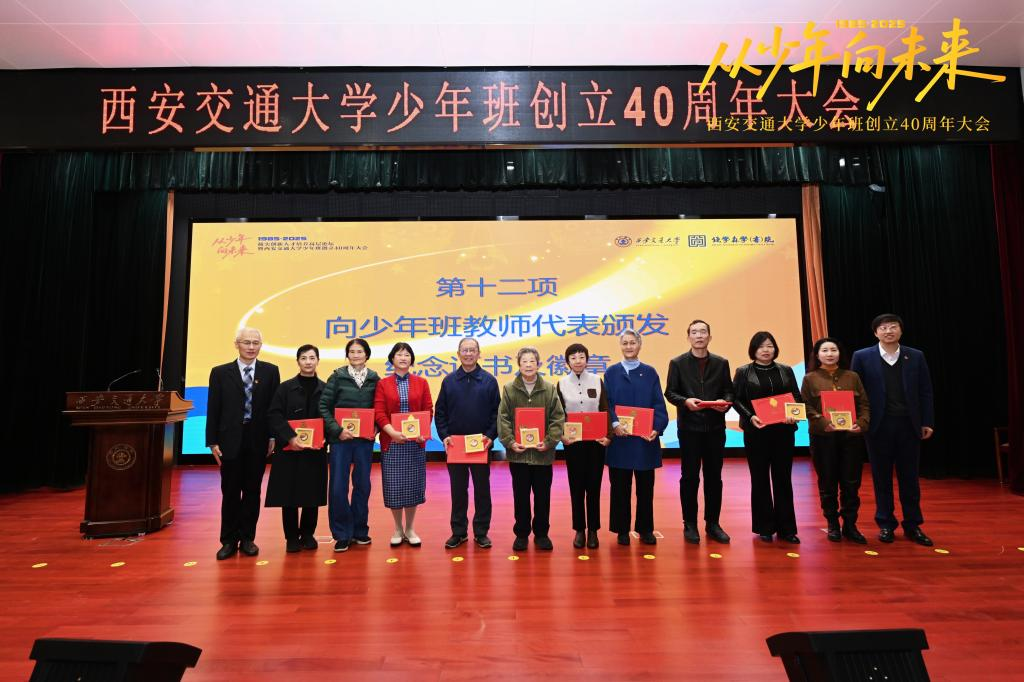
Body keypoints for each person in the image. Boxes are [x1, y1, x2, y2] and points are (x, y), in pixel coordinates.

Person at [851, 314, 935, 546]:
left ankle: (913, 524)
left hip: (909, 425)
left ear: (900, 330)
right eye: (883, 328)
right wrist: (859, 420)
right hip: (878, 426)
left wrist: (927, 421)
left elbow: (925, 391)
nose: (888, 331)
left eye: (893, 327)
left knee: (910, 478)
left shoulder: (915, 356)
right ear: (875, 332)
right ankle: (886, 523)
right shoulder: (862, 356)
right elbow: (855, 393)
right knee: (881, 477)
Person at [205, 327, 281, 560]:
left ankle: (248, 538)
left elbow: (274, 408)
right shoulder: (220, 372)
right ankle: (228, 540)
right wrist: (212, 441)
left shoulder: (270, 371)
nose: (251, 347)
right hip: (229, 440)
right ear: (236, 344)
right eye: (246, 342)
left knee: (252, 490)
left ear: (261, 346)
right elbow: (214, 408)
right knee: (230, 491)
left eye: (255, 343)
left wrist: (272, 436)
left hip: (258, 439)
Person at [664, 319, 734, 545]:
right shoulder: (677, 363)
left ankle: (713, 523)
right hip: (689, 429)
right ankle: (690, 523)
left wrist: (725, 403)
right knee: (689, 477)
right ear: (688, 337)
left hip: (715, 428)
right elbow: (670, 392)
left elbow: (729, 391)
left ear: (709, 337)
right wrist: (685, 401)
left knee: (714, 477)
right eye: (694, 332)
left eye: (703, 332)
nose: (699, 336)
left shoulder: (721, 363)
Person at [732, 331, 802, 544]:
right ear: (753, 349)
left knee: (783, 479)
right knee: (760, 478)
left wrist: (793, 414)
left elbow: (796, 396)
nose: (765, 350)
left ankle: (787, 529)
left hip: (783, 432)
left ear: (775, 348)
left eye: (769, 345)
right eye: (761, 346)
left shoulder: (786, 370)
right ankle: (764, 527)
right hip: (757, 432)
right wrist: (750, 416)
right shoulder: (743, 372)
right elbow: (736, 399)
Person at [801, 337, 871, 544]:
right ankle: (832, 523)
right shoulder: (810, 378)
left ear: (840, 353)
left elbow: (864, 404)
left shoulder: (852, 377)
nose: (830, 354)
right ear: (817, 355)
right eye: (825, 350)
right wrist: (823, 422)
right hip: (823, 438)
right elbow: (805, 405)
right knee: (827, 482)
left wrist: (862, 423)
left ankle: (850, 525)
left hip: (851, 437)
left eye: (834, 350)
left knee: (851, 483)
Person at [604, 329, 669, 546]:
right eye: (625, 343)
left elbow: (658, 404)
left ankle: (645, 528)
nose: (629, 347)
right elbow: (607, 403)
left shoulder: (650, 372)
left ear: (639, 345)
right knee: (620, 488)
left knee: (645, 489)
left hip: (644, 441)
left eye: (633, 343)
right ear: (620, 346)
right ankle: (622, 530)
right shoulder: (611, 372)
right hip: (620, 441)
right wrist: (614, 424)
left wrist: (656, 428)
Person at [434, 338, 500, 550]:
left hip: (481, 445)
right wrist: (444, 436)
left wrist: (490, 436)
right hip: (456, 446)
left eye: (472, 350)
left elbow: (497, 414)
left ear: (479, 353)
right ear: (458, 354)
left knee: (482, 490)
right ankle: (459, 532)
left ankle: (481, 532)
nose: (469, 354)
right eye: (465, 350)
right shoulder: (449, 381)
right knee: (458, 491)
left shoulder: (489, 381)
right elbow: (440, 412)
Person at [498, 347, 565, 552]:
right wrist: (510, 442)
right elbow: (503, 418)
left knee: (543, 496)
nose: (528, 365)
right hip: (518, 455)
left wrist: (549, 441)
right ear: (519, 365)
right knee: (521, 496)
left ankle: (542, 534)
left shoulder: (549, 389)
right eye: (524, 361)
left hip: (542, 454)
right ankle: (521, 534)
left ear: (539, 364)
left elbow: (558, 418)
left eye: (532, 361)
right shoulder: (509, 389)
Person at [265, 344, 328, 553]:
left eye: (312, 358)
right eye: (304, 358)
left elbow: (330, 417)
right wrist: (290, 437)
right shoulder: (285, 388)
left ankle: (308, 534)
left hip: (315, 449)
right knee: (288, 493)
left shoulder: (326, 388)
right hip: (289, 449)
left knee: (312, 492)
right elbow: (274, 414)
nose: (308, 362)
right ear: (298, 361)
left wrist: (325, 437)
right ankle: (291, 537)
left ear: (318, 361)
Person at [319, 338, 380, 553]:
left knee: (363, 485)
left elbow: (380, 408)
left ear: (367, 355)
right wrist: (337, 431)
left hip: (364, 442)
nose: (356, 355)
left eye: (360, 352)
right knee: (338, 486)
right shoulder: (337, 377)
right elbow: (323, 407)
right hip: (341, 441)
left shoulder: (374, 379)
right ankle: (342, 534)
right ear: (347, 355)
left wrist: (376, 428)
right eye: (352, 352)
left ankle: (360, 530)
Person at [374, 342, 432, 547]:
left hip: (414, 444)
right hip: (392, 443)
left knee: (413, 487)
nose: (403, 358)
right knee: (394, 487)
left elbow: (428, 410)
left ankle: (410, 528)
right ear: (392, 359)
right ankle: (398, 528)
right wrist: (392, 433)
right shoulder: (383, 384)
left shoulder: (421, 382)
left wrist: (422, 432)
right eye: (399, 354)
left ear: (411, 359)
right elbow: (379, 412)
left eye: (407, 355)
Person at [556, 343, 611, 550]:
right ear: (567, 362)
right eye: (573, 358)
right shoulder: (561, 384)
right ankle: (579, 529)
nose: (578, 361)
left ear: (587, 360)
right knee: (576, 487)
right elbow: (558, 414)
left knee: (594, 487)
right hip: (573, 443)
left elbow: (605, 408)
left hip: (596, 443)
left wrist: (609, 436)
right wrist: (561, 436)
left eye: (581, 357)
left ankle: (593, 530)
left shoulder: (597, 380)